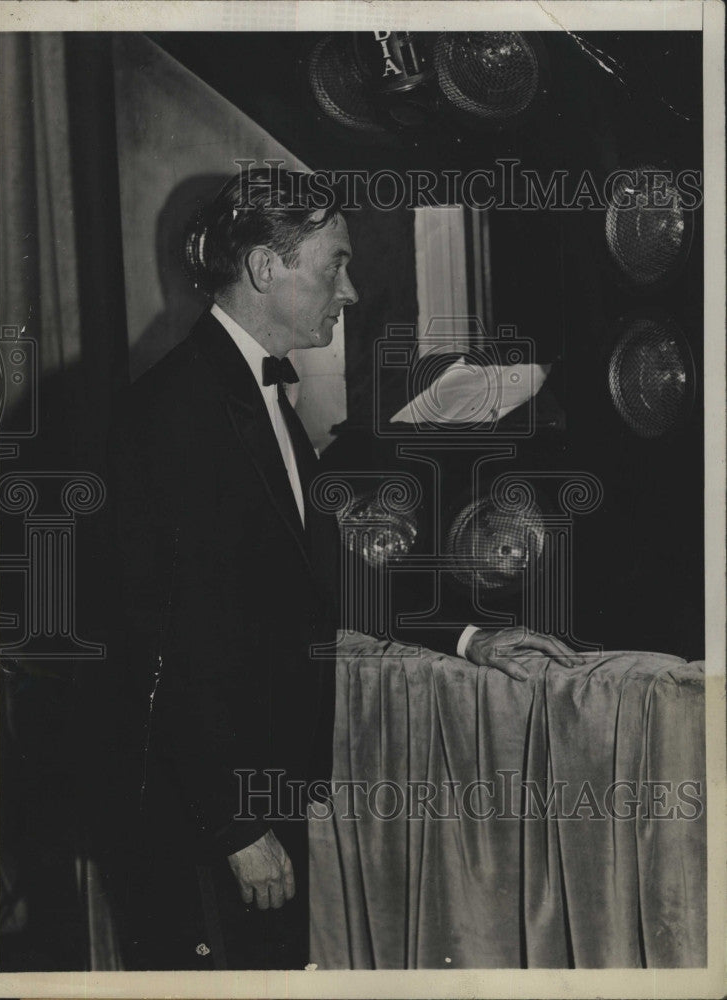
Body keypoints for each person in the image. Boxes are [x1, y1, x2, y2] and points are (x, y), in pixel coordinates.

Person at [107, 166, 578, 971]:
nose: (350, 291)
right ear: (265, 269)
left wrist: (469, 638)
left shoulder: (256, 401)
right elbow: (164, 638)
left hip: (257, 795)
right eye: (334, 263)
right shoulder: (175, 413)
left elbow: (326, 575)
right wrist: (238, 828)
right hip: (209, 817)